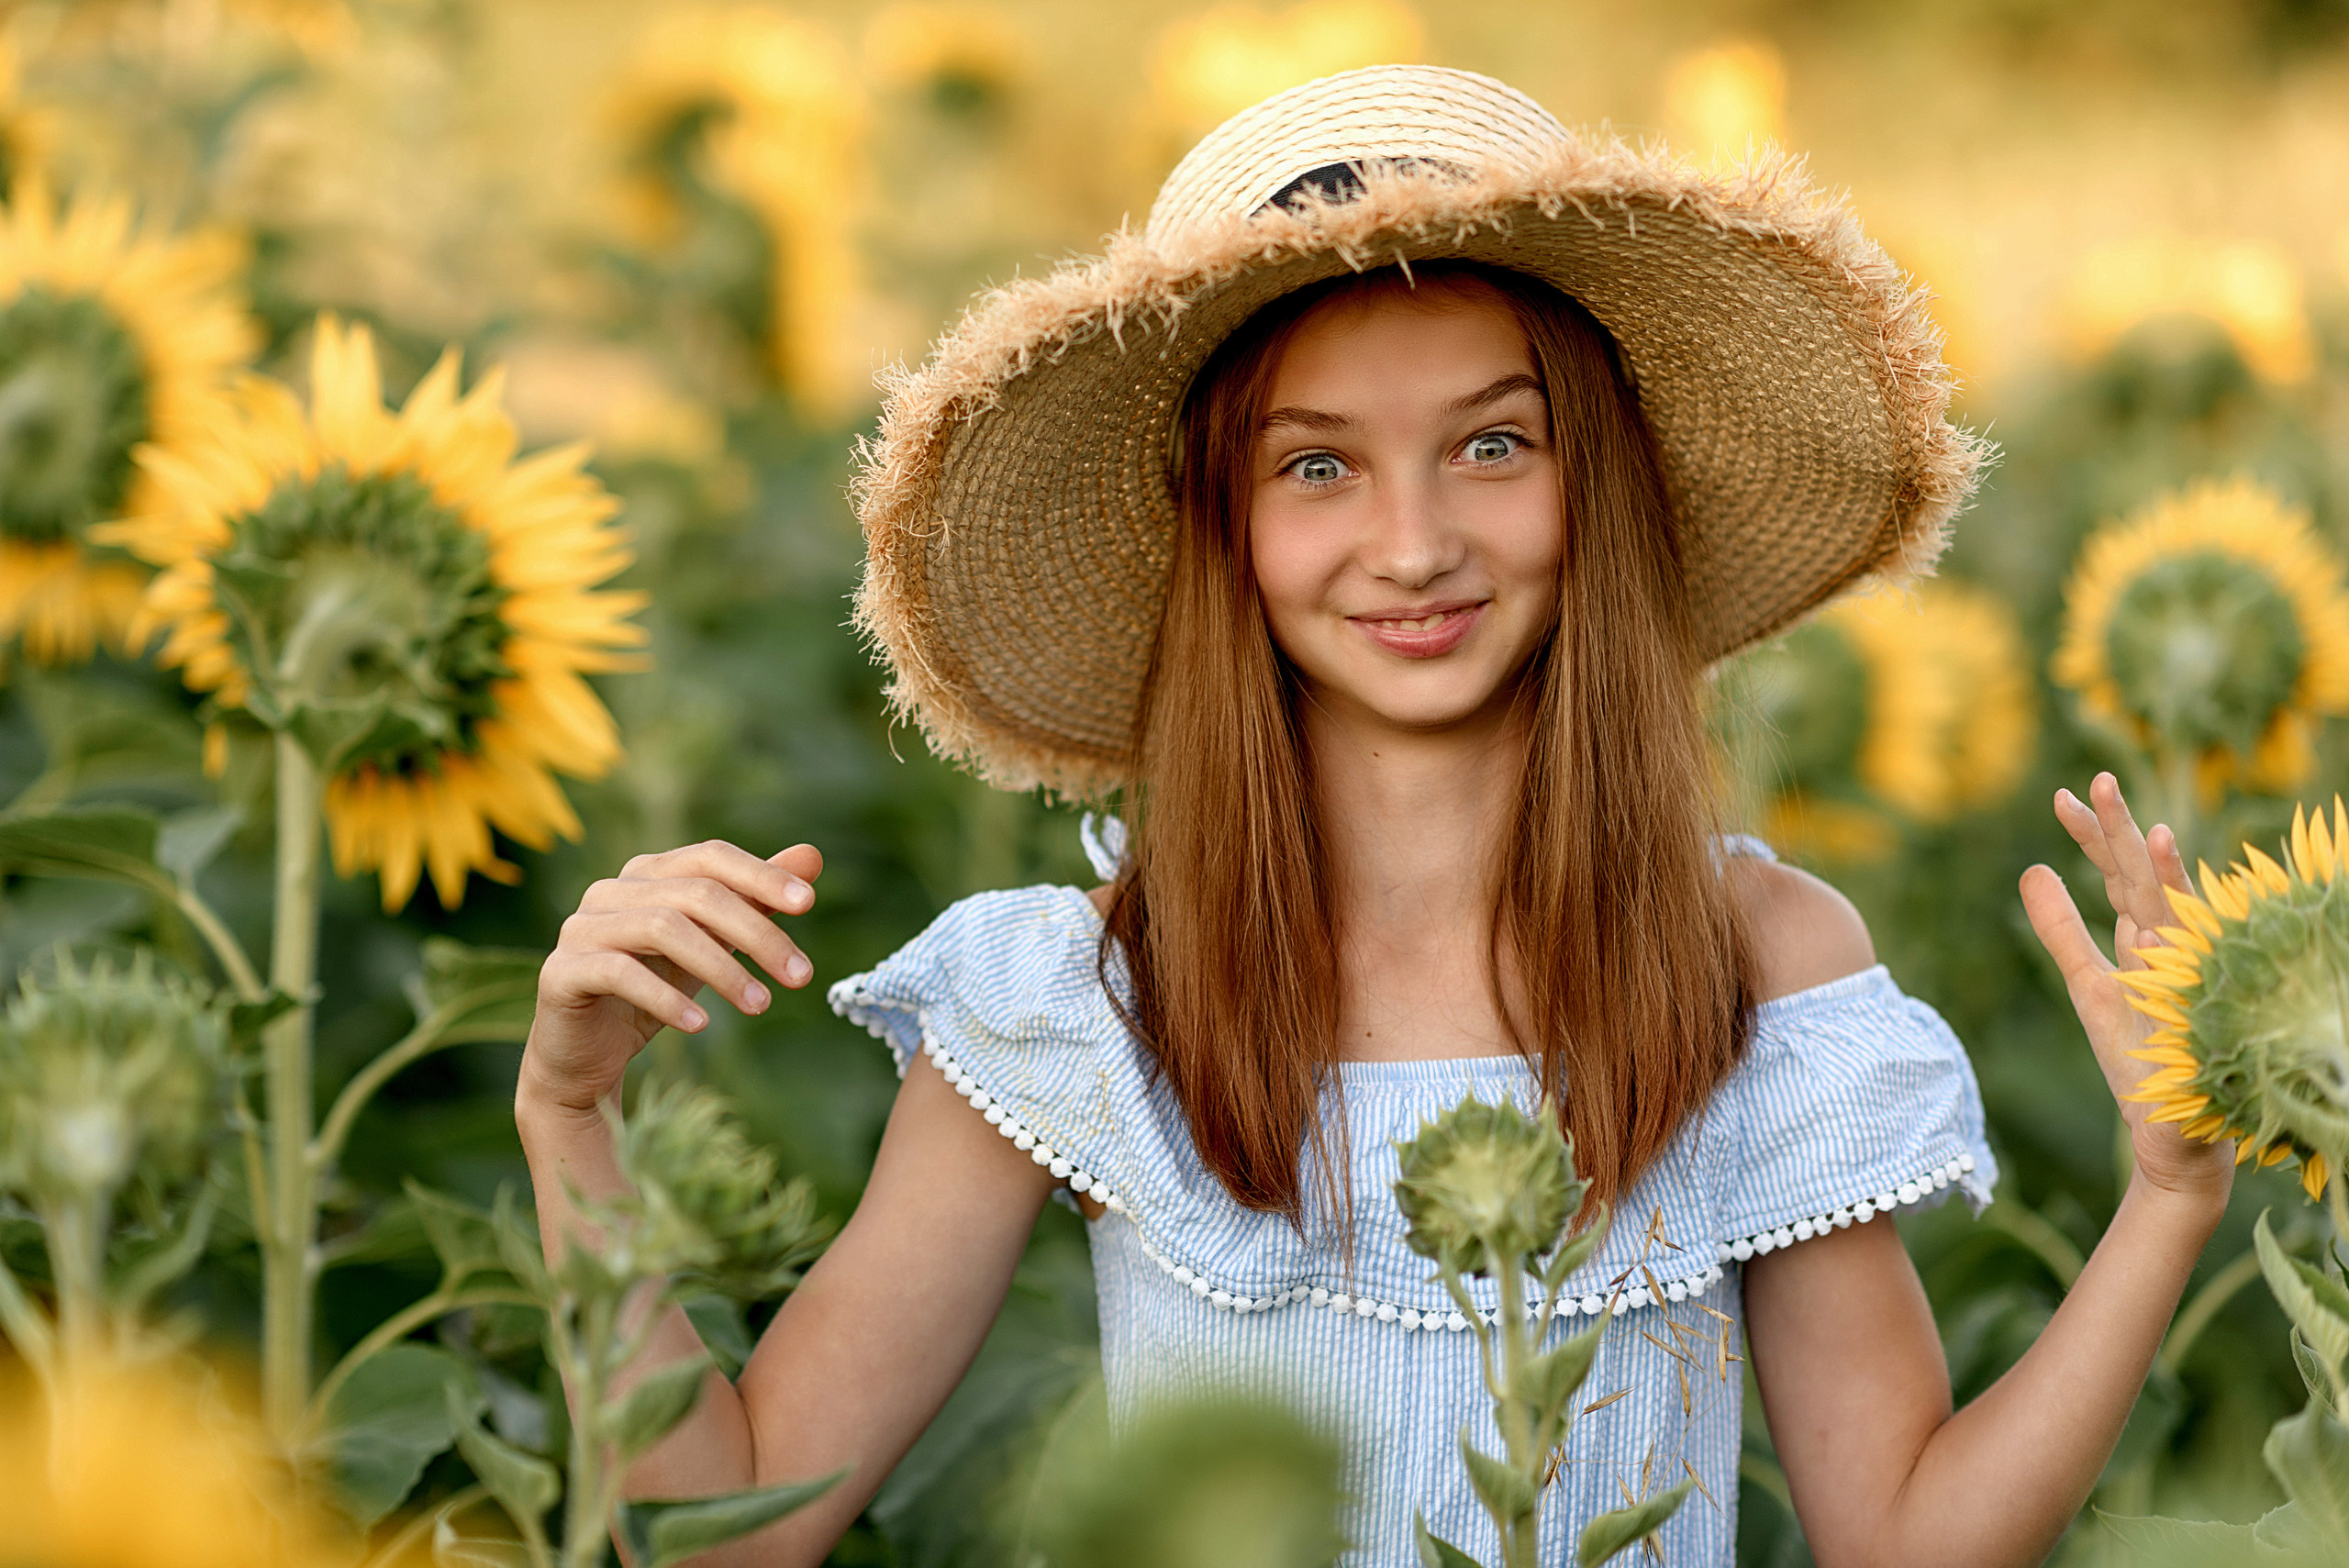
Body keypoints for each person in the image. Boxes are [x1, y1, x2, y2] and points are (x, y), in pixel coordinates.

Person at [515, 66, 2232, 1566]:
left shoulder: (1751, 965)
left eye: (1494, 447)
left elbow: (1906, 1538)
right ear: (1224, 530)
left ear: (1597, 486)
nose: (1412, 545)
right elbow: (733, 1519)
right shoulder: (1087, 993)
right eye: (1316, 464)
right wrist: (570, 1108)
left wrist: (2164, 1190)